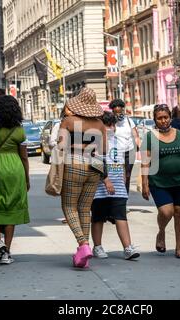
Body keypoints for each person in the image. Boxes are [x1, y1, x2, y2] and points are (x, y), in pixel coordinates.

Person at [57, 87, 106, 268]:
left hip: (74, 163)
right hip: (94, 165)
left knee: (69, 206)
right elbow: (104, 150)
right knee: (85, 209)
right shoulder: (100, 124)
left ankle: (83, 244)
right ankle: (82, 255)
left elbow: (61, 145)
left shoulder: (69, 121)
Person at [141, 104, 180, 259]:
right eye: (159, 118)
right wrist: (144, 183)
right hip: (159, 182)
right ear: (155, 120)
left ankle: (179, 247)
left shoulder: (179, 134)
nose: (163, 121)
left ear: (170, 118)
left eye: (166, 117)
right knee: (167, 212)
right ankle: (161, 232)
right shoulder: (149, 136)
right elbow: (145, 162)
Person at [0, 95, 30, 265]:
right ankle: (6, 252)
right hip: (15, 168)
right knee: (10, 208)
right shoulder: (19, 130)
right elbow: (24, 158)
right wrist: (27, 178)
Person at [91, 111, 140, 261]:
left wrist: (124, 175)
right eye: (107, 125)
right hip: (99, 187)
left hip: (118, 186)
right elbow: (95, 162)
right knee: (98, 217)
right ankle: (97, 246)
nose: (111, 127)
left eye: (112, 124)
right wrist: (106, 180)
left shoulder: (119, 141)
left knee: (121, 216)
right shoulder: (96, 142)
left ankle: (127, 247)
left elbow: (122, 160)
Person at [109, 99, 140, 194]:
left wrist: (138, 144)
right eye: (116, 112)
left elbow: (135, 135)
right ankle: (118, 196)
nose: (119, 114)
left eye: (121, 111)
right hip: (117, 154)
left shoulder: (129, 121)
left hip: (130, 151)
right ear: (113, 112)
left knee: (127, 175)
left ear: (123, 110)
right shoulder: (111, 122)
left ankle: (125, 197)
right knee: (118, 175)